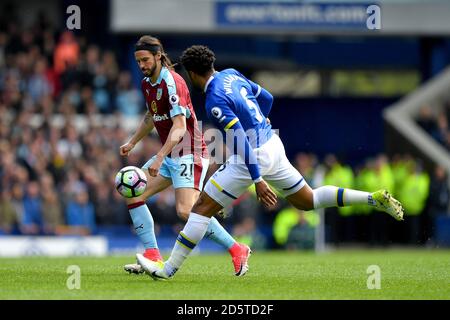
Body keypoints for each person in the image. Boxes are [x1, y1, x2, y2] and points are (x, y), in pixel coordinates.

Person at [137, 45, 404, 280]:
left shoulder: (214, 100)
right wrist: (260, 122)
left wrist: (258, 180)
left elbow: (241, 139)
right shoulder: (231, 74)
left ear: (193, 74)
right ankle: (373, 199)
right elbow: (267, 98)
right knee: (307, 200)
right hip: (273, 144)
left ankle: (167, 269)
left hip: (253, 155)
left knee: (200, 209)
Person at [120, 36, 250, 275]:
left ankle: (236, 248)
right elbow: (152, 116)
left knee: (185, 210)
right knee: (131, 191)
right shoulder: (148, 83)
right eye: (138, 61)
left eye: (145, 60)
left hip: (189, 151)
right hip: (171, 154)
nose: (141, 65)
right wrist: (132, 141)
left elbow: (180, 127)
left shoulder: (173, 82)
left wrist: (159, 156)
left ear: (159, 56)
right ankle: (152, 255)